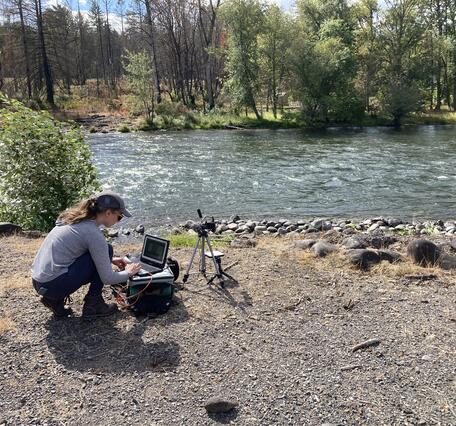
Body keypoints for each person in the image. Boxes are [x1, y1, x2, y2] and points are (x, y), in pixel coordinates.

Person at [31, 191, 141, 318]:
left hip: (39, 282)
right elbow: (108, 278)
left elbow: (73, 250)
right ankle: (93, 304)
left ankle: (53, 300)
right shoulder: (92, 233)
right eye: (119, 216)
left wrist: (109, 259)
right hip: (53, 285)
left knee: (107, 252)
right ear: (108, 212)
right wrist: (129, 272)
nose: (118, 221)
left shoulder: (71, 219)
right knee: (107, 249)